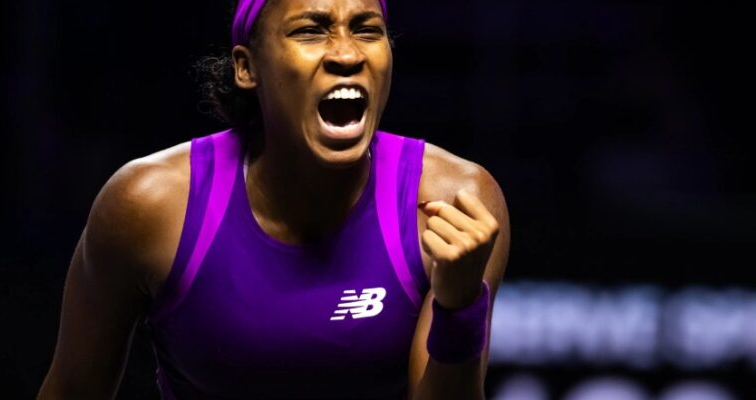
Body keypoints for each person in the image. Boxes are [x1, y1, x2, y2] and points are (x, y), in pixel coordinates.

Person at [37, 0, 510, 398]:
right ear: (247, 68)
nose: (347, 53)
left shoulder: (454, 203)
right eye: (311, 31)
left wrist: (459, 307)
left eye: (367, 30)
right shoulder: (149, 205)